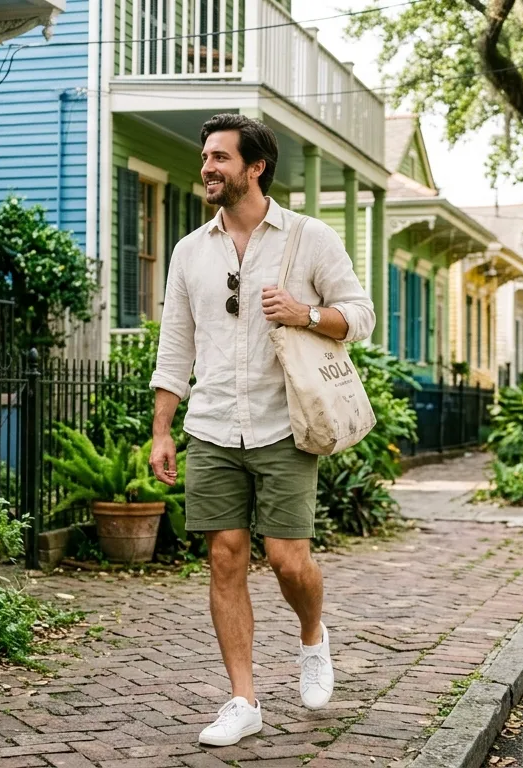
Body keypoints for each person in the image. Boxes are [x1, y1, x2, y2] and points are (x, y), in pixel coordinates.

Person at [147, 114, 376, 747]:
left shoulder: (309, 238)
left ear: (256, 167)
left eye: (221, 157)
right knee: (224, 556)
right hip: (214, 424)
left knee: (287, 558)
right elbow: (175, 348)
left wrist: (306, 313)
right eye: (205, 157)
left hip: (285, 424)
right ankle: (243, 699)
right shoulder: (191, 251)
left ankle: (313, 638)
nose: (207, 168)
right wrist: (163, 430)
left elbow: (362, 316)